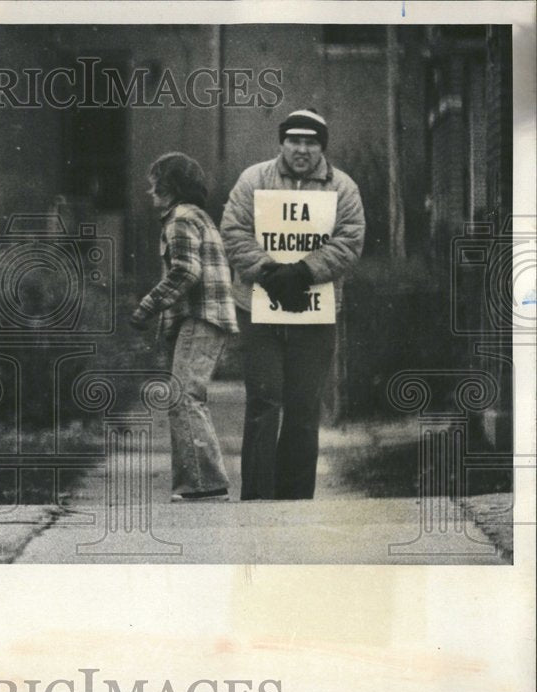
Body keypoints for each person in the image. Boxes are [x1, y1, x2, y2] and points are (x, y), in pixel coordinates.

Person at [220, 108, 365, 500]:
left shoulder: (343, 188)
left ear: (322, 146)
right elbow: (233, 231)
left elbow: (350, 240)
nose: (302, 149)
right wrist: (269, 272)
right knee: (264, 402)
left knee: (303, 408)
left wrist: (303, 272)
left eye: (311, 142)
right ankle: (257, 497)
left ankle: (295, 502)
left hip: (316, 310)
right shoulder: (254, 180)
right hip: (259, 308)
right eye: (294, 140)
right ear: (281, 142)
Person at [130, 152, 238, 502]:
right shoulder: (199, 217)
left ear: (171, 187)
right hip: (211, 317)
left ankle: (204, 485)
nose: (151, 192)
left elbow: (186, 271)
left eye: (155, 184)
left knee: (184, 397)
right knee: (188, 396)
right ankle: (200, 483)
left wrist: (148, 306)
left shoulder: (179, 219)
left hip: (200, 316)